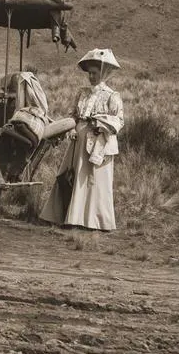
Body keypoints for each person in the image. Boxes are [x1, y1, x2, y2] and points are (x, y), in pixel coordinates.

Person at [39, 49, 125, 231]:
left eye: (95, 73)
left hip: (99, 139)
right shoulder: (82, 93)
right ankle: (69, 216)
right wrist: (72, 128)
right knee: (73, 175)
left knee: (95, 180)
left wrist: (101, 123)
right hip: (78, 139)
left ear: (103, 74)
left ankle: (95, 222)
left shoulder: (112, 96)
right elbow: (74, 115)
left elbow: (119, 120)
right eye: (90, 73)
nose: (91, 77)